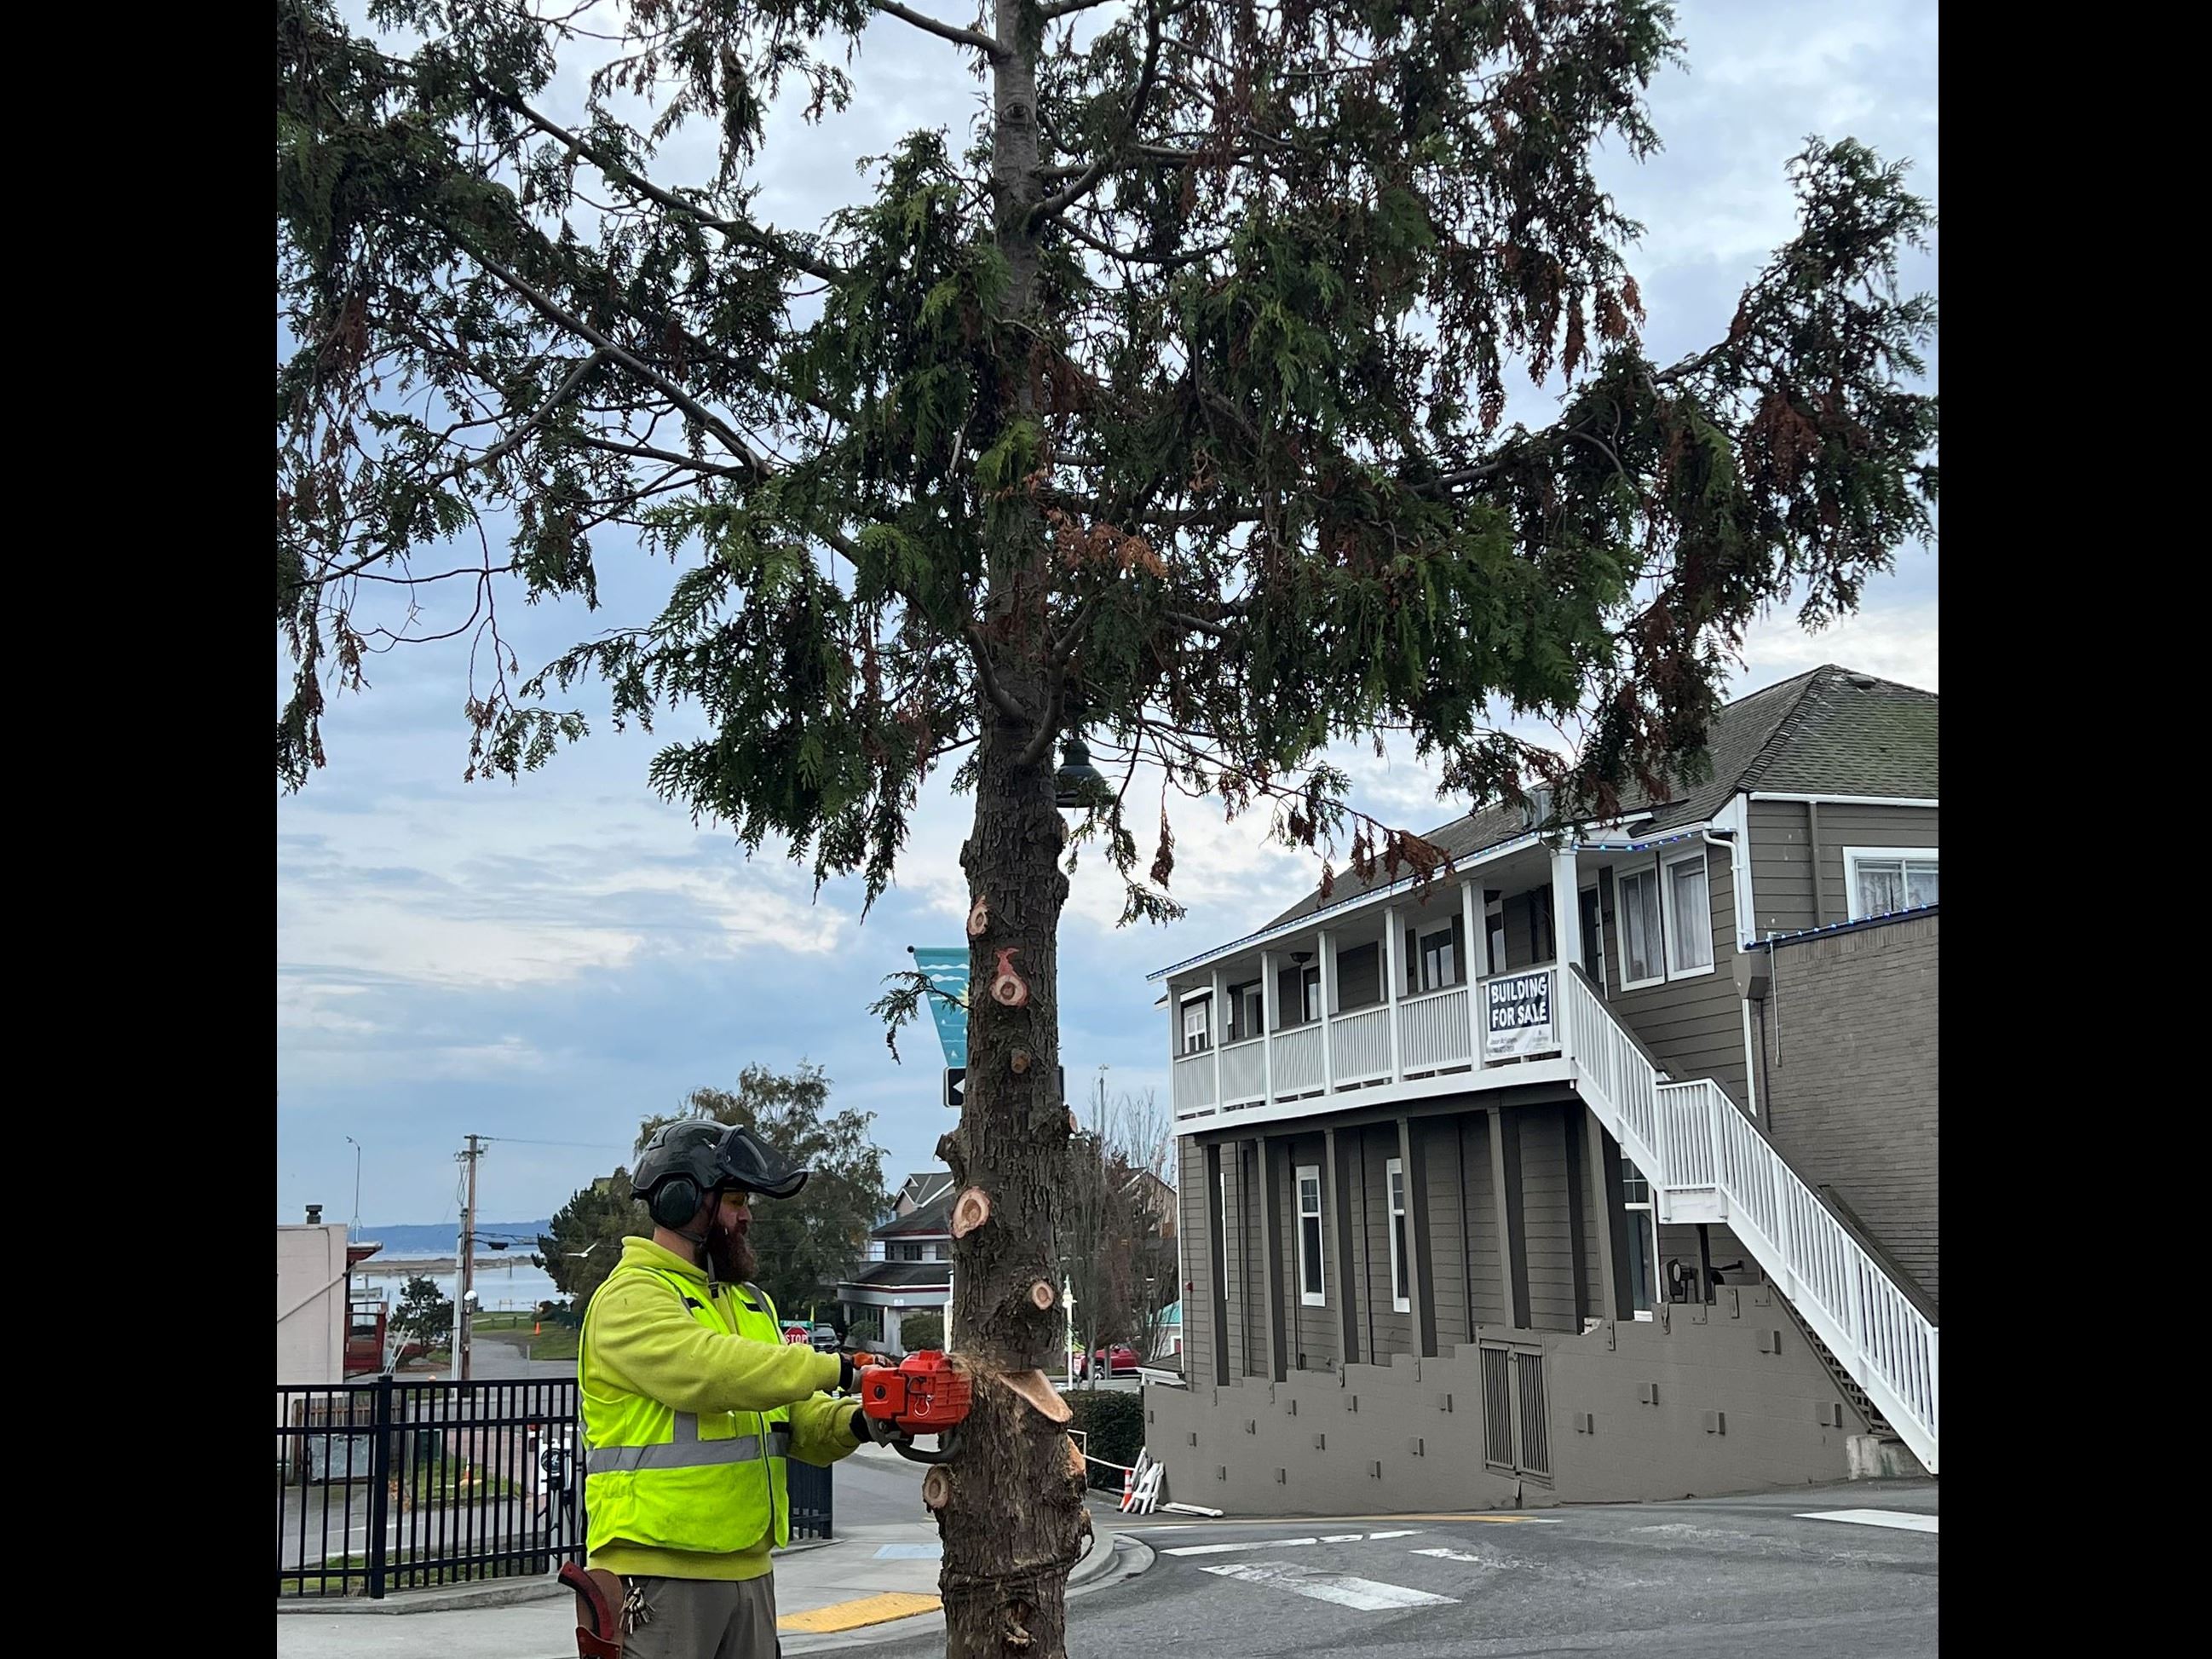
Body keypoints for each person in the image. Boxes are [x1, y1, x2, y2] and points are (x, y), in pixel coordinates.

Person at [579, 1119, 906, 1657]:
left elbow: (796, 1420)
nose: (747, 1215)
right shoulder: (630, 1298)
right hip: (657, 1576)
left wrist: (864, 1417)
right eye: (734, 1199)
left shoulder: (751, 1303)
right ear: (682, 1201)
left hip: (750, 1570)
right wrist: (842, 1368)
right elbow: (711, 1372)